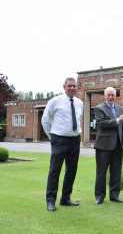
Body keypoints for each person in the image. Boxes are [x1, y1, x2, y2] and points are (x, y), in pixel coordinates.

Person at [42, 77, 83, 211]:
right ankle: (50, 201)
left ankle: (65, 198)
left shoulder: (79, 103)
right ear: (64, 87)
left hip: (75, 140)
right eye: (69, 86)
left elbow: (78, 119)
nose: (72, 88)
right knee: (55, 171)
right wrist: (51, 136)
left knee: (71, 171)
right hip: (59, 140)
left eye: (74, 86)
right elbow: (46, 120)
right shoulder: (55, 101)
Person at [94, 87, 123, 205]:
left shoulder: (121, 109)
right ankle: (99, 196)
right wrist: (117, 120)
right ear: (105, 96)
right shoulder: (99, 108)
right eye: (109, 95)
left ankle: (114, 195)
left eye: (113, 95)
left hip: (118, 145)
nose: (111, 97)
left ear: (115, 96)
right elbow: (100, 124)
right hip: (103, 146)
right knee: (101, 172)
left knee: (116, 172)